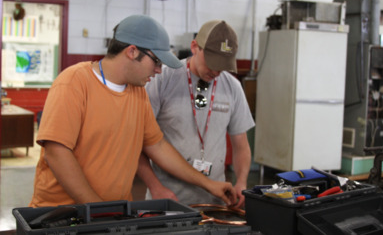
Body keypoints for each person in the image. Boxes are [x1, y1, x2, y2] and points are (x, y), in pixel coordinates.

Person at [29, 15, 237, 208]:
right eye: (156, 61)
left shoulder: (138, 94)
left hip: (111, 215)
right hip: (64, 214)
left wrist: (209, 185)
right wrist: (96, 210)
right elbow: (57, 153)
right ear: (132, 51)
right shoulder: (74, 82)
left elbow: (157, 145)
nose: (158, 70)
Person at [138, 20, 255, 208]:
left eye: (222, 66)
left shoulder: (232, 87)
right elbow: (138, 142)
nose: (216, 71)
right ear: (194, 47)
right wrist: (155, 187)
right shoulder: (162, 79)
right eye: (212, 63)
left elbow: (241, 145)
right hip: (167, 199)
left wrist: (241, 181)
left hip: (216, 201)